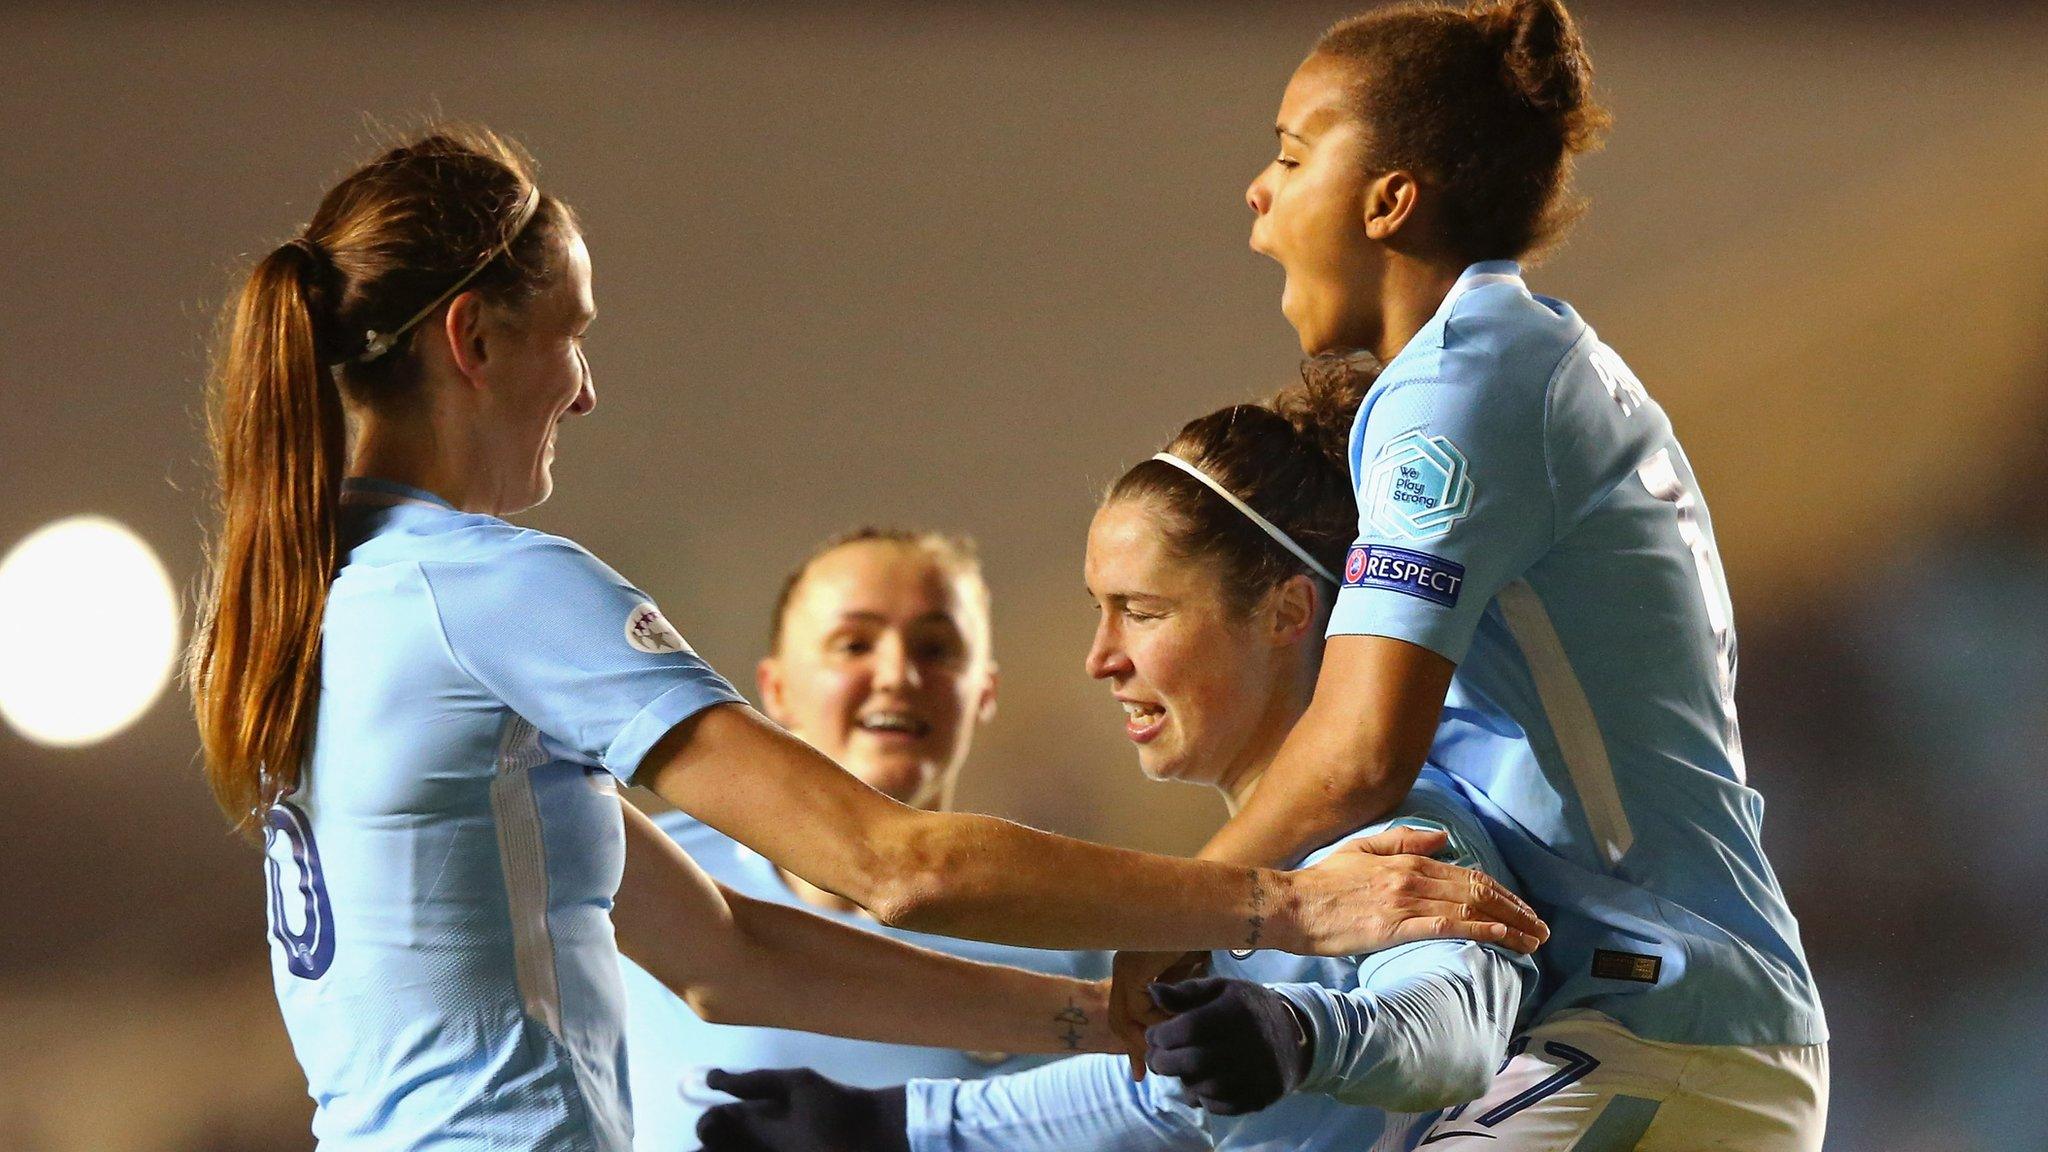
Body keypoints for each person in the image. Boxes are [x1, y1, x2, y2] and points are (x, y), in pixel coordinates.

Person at [186, 127, 1543, 1151]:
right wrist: (1289, 904)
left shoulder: (320, 595)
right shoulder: (491, 589)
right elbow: (886, 861)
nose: (586, 390)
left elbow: (729, 955)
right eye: (570, 338)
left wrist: (1093, 1020)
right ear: (474, 341)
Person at [1109, 2, 1828, 1146]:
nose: (1257, 190)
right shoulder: (1518, 363)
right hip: (1661, 1028)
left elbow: (1357, 753)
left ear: (1389, 199)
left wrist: (1189, 908)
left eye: (1291, 155)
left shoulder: (1458, 391)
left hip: (1658, 1024)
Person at [695, 367, 1546, 1152]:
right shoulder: (1239, 878)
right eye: (1098, 612)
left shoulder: (1401, 829)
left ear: (1287, 612)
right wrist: (891, 1124)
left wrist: (1301, 1035)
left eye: (1140, 611)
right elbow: (1156, 1095)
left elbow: (1459, 1025)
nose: (1100, 657)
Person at [621, 528, 1108, 1149]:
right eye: (853, 644)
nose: (898, 675)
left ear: (983, 691)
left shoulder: (1076, 931)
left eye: (936, 649)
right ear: (775, 690)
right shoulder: (636, 880)